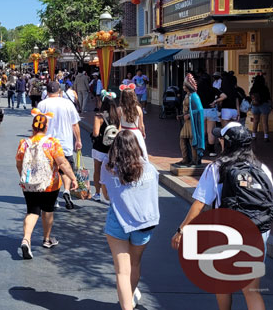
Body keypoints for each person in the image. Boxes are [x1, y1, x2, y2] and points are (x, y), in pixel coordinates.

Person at [171, 122, 272, 310]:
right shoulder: (262, 169)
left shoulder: (216, 168)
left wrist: (181, 230)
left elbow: (199, 204)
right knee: (252, 291)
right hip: (257, 232)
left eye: (221, 138)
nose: (219, 140)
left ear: (227, 143)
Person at [101, 130, 160, 310]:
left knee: (122, 270)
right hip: (144, 222)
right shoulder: (149, 168)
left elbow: (106, 195)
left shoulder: (108, 166)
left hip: (118, 220)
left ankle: (126, 305)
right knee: (135, 264)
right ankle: (129, 298)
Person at [16, 111, 78, 259]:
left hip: (29, 184)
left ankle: (26, 239)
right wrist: (73, 178)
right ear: (46, 127)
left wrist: (24, 178)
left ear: (33, 126)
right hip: (50, 183)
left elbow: (19, 164)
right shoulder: (53, 143)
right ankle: (47, 239)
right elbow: (62, 163)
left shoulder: (24, 143)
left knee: (32, 211)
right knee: (48, 210)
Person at [37, 81, 81, 209]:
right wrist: (78, 139)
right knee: (65, 169)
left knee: (51, 171)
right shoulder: (68, 103)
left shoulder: (42, 104)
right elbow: (75, 124)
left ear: (47, 92)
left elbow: (38, 125)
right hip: (65, 143)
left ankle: (54, 198)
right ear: (59, 91)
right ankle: (66, 191)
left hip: (47, 144)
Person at [91, 91, 120, 202]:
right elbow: (119, 131)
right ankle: (111, 192)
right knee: (112, 170)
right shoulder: (117, 116)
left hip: (100, 146)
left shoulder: (99, 117)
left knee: (97, 169)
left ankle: (98, 193)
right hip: (112, 148)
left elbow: (95, 133)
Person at [177, 74, 206, 167]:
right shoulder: (187, 96)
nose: (183, 87)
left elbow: (200, 110)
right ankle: (186, 159)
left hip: (193, 122)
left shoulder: (194, 96)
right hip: (188, 122)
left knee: (192, 140)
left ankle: (195, 160)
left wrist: (190, 115)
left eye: (184, 85)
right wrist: (182, 116)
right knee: (183, 139)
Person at [119, 85, 148, 161]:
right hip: (136, 133)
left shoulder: (119, 109)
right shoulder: (138, 108)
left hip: (123, 132)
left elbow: (117, 124)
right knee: (140, 154)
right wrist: (143, 133)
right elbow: (141, 125)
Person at [198, 73, 220, 157]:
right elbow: (224, 96)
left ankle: (201, 150)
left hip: (201, 111)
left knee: (202, 131)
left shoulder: (197, 90)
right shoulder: (213, 89)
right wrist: (215, 101)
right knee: (210, 132)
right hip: (211, 110)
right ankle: (211, 150)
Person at [249, 74, 271, 142]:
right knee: (265, 122)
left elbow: (250, 95)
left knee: (255, 121)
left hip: (255, 106)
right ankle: (266, 137)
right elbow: (268, 97)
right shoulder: (265, 88)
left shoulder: (253, 88)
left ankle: (254, 136)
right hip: (264, 105)